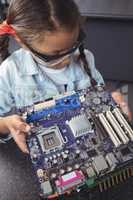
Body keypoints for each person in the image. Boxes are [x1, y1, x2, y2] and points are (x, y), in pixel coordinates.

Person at [0, 0, 130, 153]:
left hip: (86, 142)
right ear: (22, 42)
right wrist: (7, 124)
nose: (68, 59)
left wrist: (111, 101)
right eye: (55, 55)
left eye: (73, 45)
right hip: (46, 149)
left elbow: (98, 96)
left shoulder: (86, 57)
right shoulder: (11, 71)